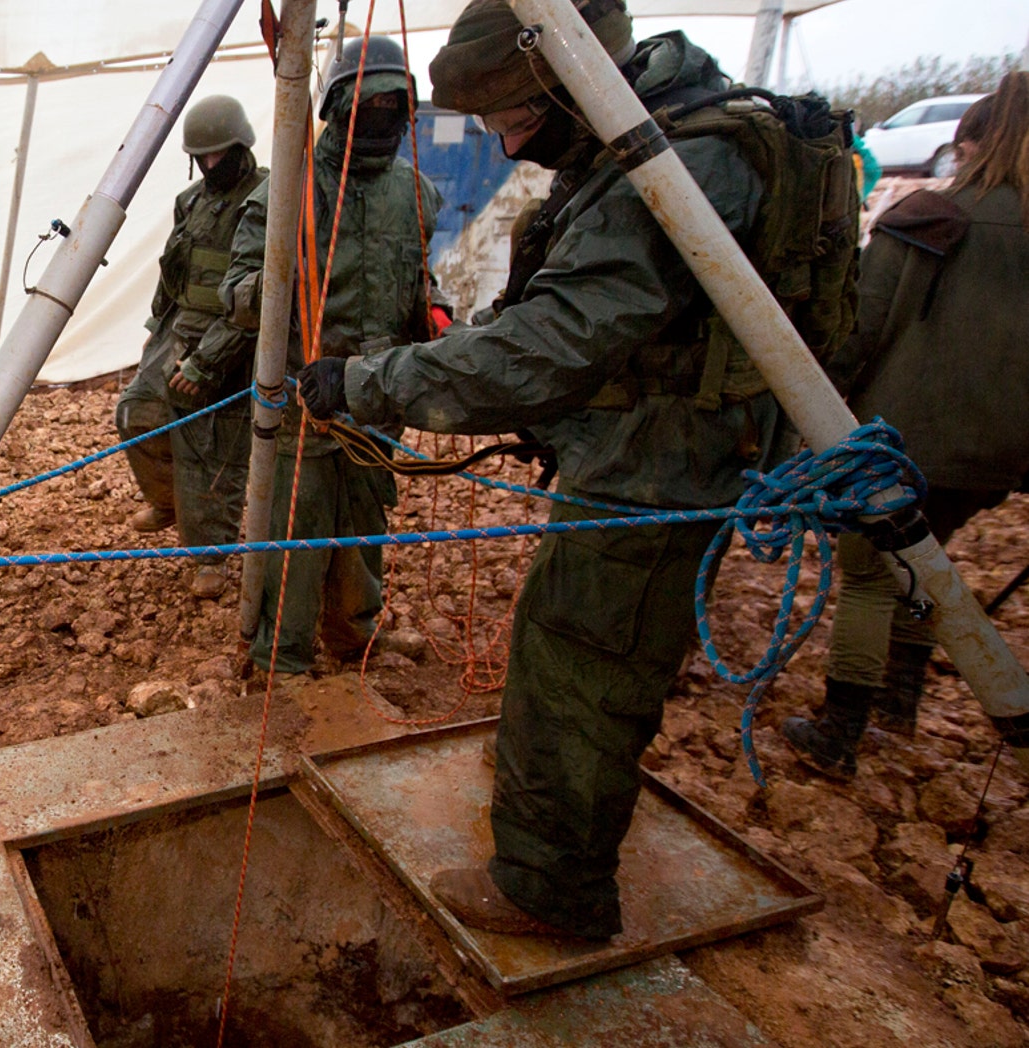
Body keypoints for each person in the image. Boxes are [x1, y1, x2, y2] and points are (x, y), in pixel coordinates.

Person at [297, 0, 855, 940]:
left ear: (560, 86)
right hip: (647, 457)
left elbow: (554, 342)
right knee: (574, 650)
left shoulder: (674, 167)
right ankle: (548, 801)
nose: (508, 145)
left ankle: (550, 885)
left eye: (513, 120)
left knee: (582, 665)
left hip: (655, 477)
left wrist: (365, 383)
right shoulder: (649, 143)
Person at [783, 78, 1029, 779]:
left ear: (973, 143)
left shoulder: (931, 216)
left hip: (901, 440)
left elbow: (858, 330)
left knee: (868, 575)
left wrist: (818, 418)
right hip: (995, 453)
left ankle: (840, 729)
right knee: (926, 561)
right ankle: (900, 702)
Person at [226, 36, 444, 671]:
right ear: (338, 106)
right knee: (297, 535)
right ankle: (281, 660)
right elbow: (235, 295)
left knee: (364, 528)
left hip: (378, 400)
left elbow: (423, 279)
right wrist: (277, 284)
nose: (382, 117)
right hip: (305, 405)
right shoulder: (287, 192)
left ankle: (355, 637)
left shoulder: (417, 192)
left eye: (394, 107)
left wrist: (434, 312)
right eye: (369, 104)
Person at [115, 95, 268, 599]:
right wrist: (158, 328)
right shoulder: (191, 201)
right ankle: (170, 501)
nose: (210, 165)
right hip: (180, 326)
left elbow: (254, 296)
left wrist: (209, 359)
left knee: (213, 443)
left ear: (241, 148)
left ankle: (211, 555)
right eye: (202, 157)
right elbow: (173, 267)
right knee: (136, 414)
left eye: (219, 155)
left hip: (235, 333)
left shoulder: (266, 198)